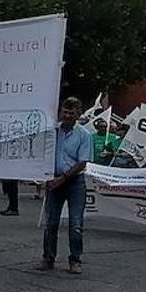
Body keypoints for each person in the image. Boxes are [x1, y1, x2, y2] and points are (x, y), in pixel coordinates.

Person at [39, 97, 93, 274]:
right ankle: (48, 258)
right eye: (65, 112)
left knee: (75, 223)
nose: (68, 115)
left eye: (72, 113)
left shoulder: (84, 135)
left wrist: (62, 178)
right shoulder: (52, 131)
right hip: (53, 181)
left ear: (78, 114)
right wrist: (44, 176)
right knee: (51, 223)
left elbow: (82, 162)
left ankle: (75, 259)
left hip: (74, 182)